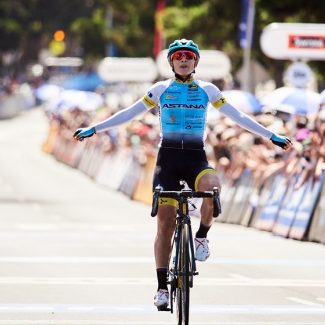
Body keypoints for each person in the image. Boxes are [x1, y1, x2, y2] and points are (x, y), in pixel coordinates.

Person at [72, 39, 292, 309]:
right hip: (168, 159)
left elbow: (238, 117)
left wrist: (271, 136)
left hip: (195, 158)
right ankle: (162, 288)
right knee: (164, 225)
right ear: (172, 62)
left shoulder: (208, 90)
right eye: (179, 57)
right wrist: (95, 128)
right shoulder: (161, 89)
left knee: (212, 188)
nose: (184, 60)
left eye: (189, 56)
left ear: (196, 62)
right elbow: (129, 113)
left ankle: (201, 236)